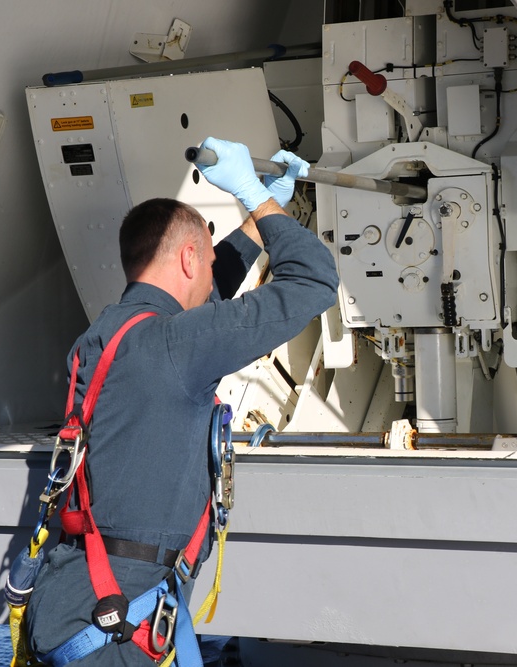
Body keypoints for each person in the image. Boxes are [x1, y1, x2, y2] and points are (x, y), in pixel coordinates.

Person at [25, 137, 338, 665]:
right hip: (116, 632)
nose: (214, 272)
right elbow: (313, 280)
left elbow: (205, 310)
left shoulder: (109, 337)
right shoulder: (173, 347)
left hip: (83, 609)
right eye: (209, 258)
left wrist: (261, 219)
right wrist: (254, 198)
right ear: (190, 257)